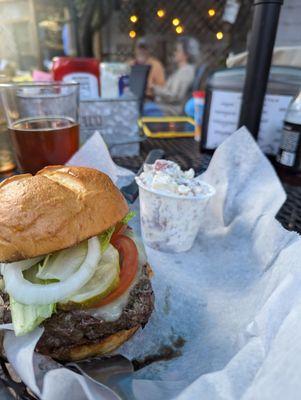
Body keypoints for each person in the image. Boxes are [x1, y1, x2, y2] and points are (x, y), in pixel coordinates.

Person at [144, 36, 200, 116]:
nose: (174, 53)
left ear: (186, 55)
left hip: (172, 110)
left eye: (177, 51)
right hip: (167, 106)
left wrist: (154, 88)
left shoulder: (186, 72)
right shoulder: (181, 70)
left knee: (144, 109)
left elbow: (174, 95)